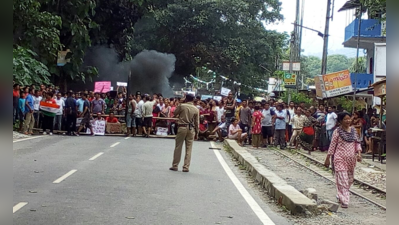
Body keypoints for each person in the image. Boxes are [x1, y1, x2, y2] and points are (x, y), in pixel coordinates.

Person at [324, 112, 362, 208]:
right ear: (340, 121)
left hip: (351, 160)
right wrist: (328, 158)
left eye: (349, 118)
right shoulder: (337, 131)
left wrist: (359, 153)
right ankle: (345, 200)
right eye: (345, 119)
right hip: (339, 158)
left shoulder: (353, 131)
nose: (348, 121)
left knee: (349, 180)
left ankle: (340, 194)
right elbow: (332, 145)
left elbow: (357, 143)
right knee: (342, 179)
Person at [170, 94, 199, 173]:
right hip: (191, 129)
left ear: (186, 98)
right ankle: (186, 167)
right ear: (193, 100)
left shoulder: (182, 106)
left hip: (182, 127)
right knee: (189, 148)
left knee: (178, 147)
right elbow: (197, 122)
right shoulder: (196, 109)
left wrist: (180, 103)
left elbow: (175, 113)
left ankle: (175, 165)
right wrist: (197, 132)